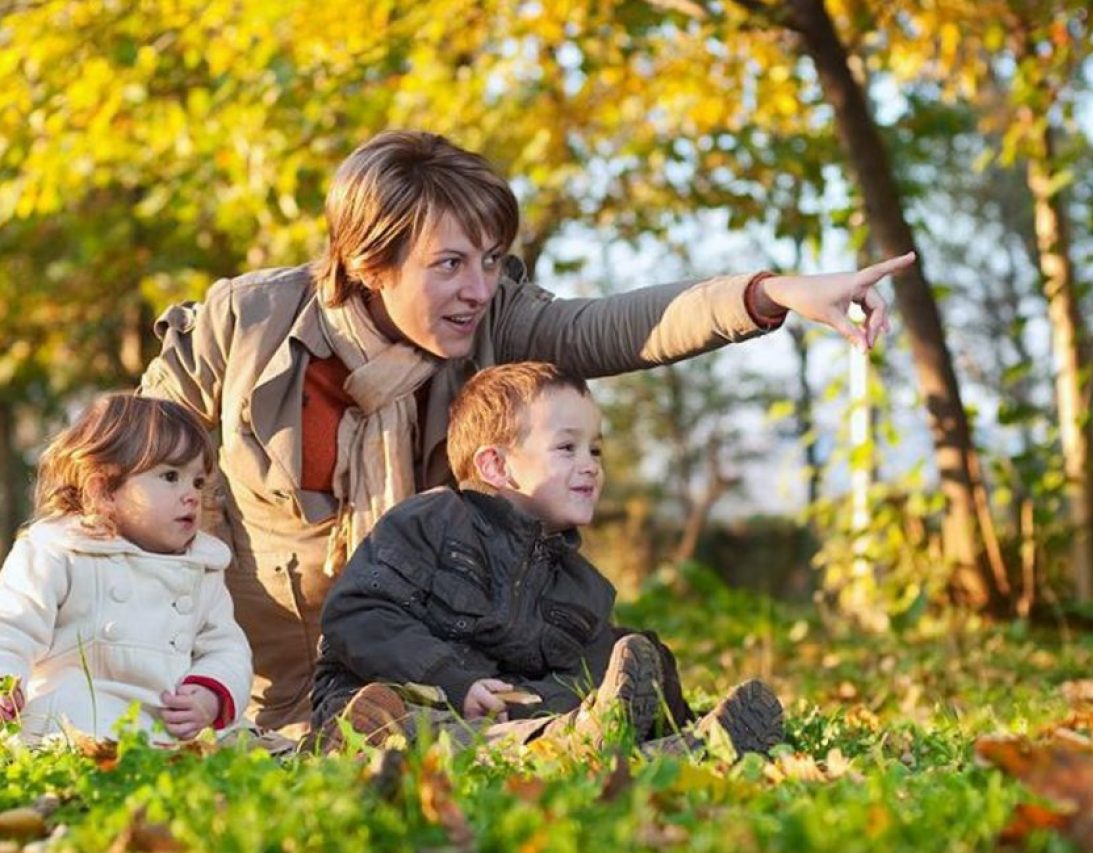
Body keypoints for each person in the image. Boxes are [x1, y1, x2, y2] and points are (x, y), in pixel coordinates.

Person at [139, 128, 913, 735]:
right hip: (253, 684)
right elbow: (120, 477)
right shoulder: (246, 325)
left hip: (436, 665)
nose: (478, 289)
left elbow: (616, 325)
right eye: (449, 264)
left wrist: (766, 292)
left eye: (490, 259)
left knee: (499, 720)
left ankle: (633, 728)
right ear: (372, 261)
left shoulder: (493, 321)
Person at [309, 362, 784, 756]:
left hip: (508, 715)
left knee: (618, 657)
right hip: (389, 702)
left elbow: (601, 677)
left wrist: (654, 684)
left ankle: (681, 745)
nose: (591, 464)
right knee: (428, 734)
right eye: (567, 447)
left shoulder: (581, 585)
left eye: (595, 448)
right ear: (497, 466)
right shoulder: (432, 520)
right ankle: (576, 742)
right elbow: (358, 614)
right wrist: (451, 678)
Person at [0, 395, 252, 743]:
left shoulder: (201, 568)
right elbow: (11, 627)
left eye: (197, 481)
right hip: (76, 718)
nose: (191, 495)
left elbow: (226, 648)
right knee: (83, 731)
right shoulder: (59, 550)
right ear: (104, 491)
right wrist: (5, 682)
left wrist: (209, 694)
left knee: (247, 743)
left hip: (168, 723)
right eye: (169, 476)